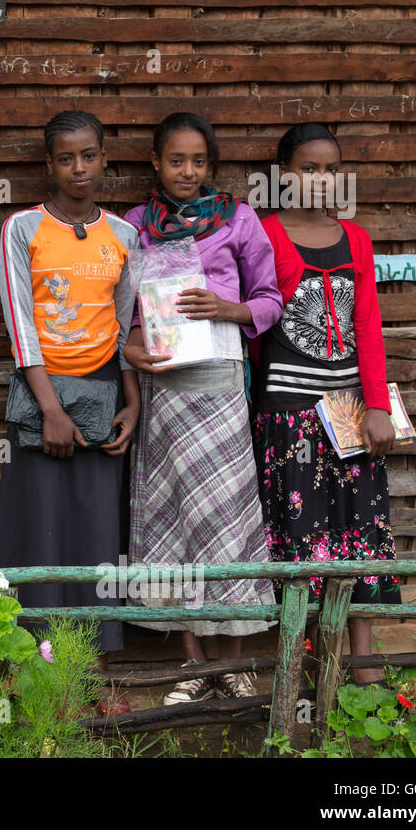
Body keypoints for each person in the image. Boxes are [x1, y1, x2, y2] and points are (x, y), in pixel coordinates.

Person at [122, 112, 284, 704]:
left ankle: (233, 664)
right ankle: (194, 667)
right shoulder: (136, 225)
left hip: (219, 383)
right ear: (156, 164)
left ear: (210, 167)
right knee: (178, 525)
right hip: (165, 389)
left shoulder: (240, 221)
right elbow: (125, 313)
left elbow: (270, 300)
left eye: (198, 161)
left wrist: (227, 308)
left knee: (227, 523)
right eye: (175, 160)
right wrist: (131, 350)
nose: (187, 171)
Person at [0, 110, 141, 716]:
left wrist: (132, 402)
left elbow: (127, 323)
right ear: (49, 165)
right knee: (40, 531)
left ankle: (95, 674)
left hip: (105, 392)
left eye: (89, 155)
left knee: (98, 535)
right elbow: (20, 322)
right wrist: (50, 408)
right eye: (65, 158)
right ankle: (32, 675)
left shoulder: (124, 236)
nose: (79, 168)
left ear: (104, 158)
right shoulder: (23, 229)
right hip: (41, 394)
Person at [252, 123, 400, 685]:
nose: (320, 179)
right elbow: (257, 328)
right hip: (289, 413)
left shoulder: (355, 238)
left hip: (349, 411)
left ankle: (360, 670)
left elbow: (369, 326)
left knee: (364, 527)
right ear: (284, 175)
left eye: (330, 169)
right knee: (302, 535)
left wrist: (377, 405)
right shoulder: (264, 234)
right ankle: (307, 668)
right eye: (308, 168)